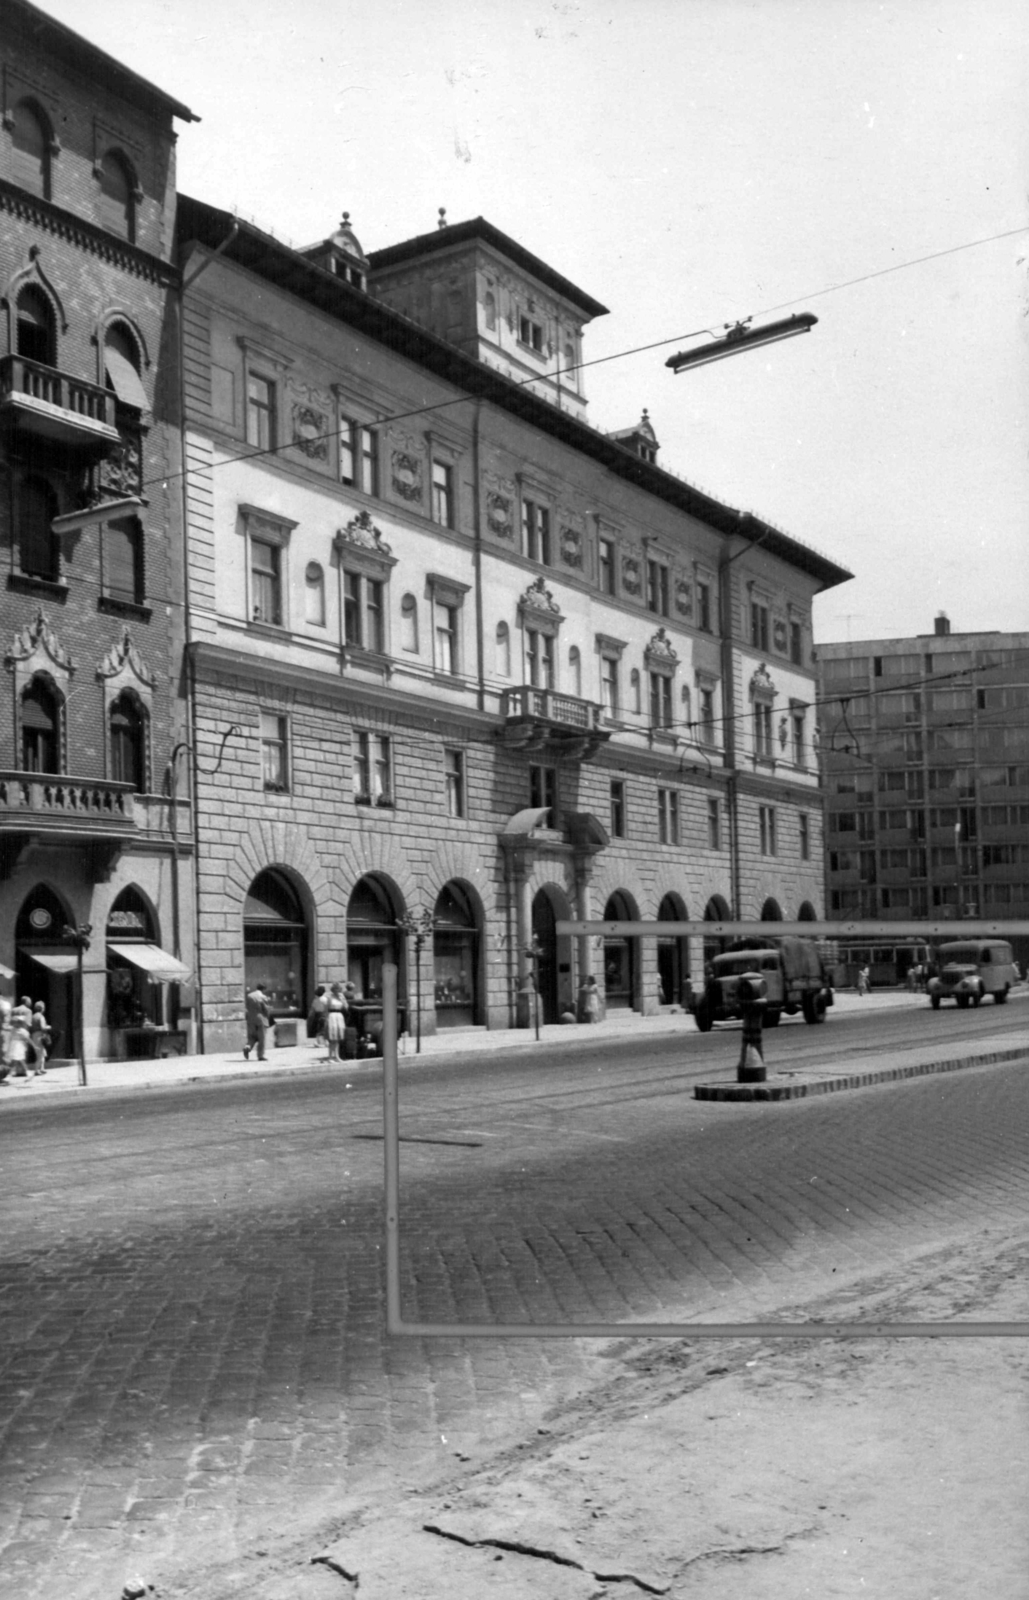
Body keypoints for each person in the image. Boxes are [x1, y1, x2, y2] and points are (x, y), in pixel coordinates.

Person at [244, 982, 272, 1061]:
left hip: (251, 1019)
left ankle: (248, 1047)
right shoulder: (263, 997)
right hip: (261, 1019)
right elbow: (266, 1010)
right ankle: (260, 1056)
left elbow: (247, 1007)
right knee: (261, 1038)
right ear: (263, 989)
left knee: (252, 1036)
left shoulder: (249, 996)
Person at [324, 982, 348, 1061]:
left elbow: (346, 1008)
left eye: (339, 989)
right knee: (332, 1037)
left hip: (339, 1016)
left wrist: (343, 1000)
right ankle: (330, 1057)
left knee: (338, 1038)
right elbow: (326, 1009)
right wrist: (326, 1019)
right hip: (332, 1015)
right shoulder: (329, 997)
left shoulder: (342, 997)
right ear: (333, 990)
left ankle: (337, 1056)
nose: (337, 991)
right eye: (336, 989)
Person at [29, 1001, 50, 1075]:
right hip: (40, 1035)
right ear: (42, 1008)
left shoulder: (33, 1016)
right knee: (40, 1054)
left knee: (42, 1053)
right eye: (43, 1007)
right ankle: (36, 1070)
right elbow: (43, 1027)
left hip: (34, 1035)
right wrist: (48, 1027)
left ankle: (42, 1068)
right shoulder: (41, 1016)